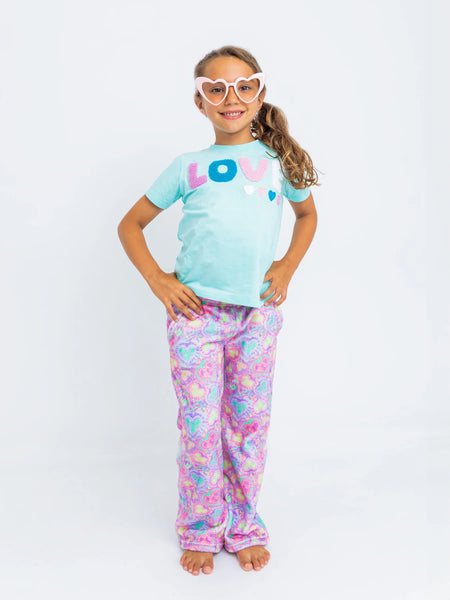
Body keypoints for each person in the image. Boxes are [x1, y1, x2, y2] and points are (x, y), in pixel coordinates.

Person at [117, 45, 319, 576]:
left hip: (256, 316)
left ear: (259, 94)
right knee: (201, 427)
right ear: (200, 101)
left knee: (247, 425)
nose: (232, 97)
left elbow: (307, 215)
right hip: (196, 318)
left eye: (243, 86)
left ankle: (244, 525)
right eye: (217, 88)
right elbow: (130, 224)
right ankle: (202, 527)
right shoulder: (187, 167)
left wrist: (286, 267)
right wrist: (159, 280)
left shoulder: (278, 163)